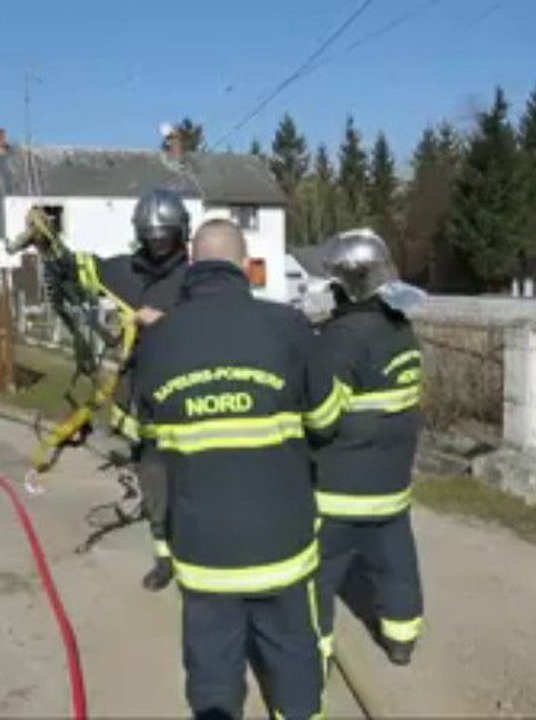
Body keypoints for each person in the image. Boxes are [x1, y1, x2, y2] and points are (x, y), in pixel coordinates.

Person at [134, 219, 348, 719]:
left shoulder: (158, 342)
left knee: (211, 668)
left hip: (203, 548)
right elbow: (327, 420)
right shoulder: (289, 326)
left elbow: (148, 446)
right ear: (245, 266)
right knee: (295, 655)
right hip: (282, 542)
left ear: (191, 265)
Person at [39, 188, 192, 591]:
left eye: (166, 236)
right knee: (154, 482)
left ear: (181, 234)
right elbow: (82, 268)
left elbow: (216, 320)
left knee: (196, 485)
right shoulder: (125, 272)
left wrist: (169, 322)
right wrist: (51, 246)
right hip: (142, 400)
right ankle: (164, 558)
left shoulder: (196, 278)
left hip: (191, 398)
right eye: (152, 236)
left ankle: (199, 554)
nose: (159, 244)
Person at [312, 228, 427, 667]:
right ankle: (402, 640)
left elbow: (322, 418)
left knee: (318, 576)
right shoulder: (401, 330)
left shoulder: (341, 340)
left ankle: (315, 653)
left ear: (341, 285)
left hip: (338, 489)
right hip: (392, 484)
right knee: (396, 563)